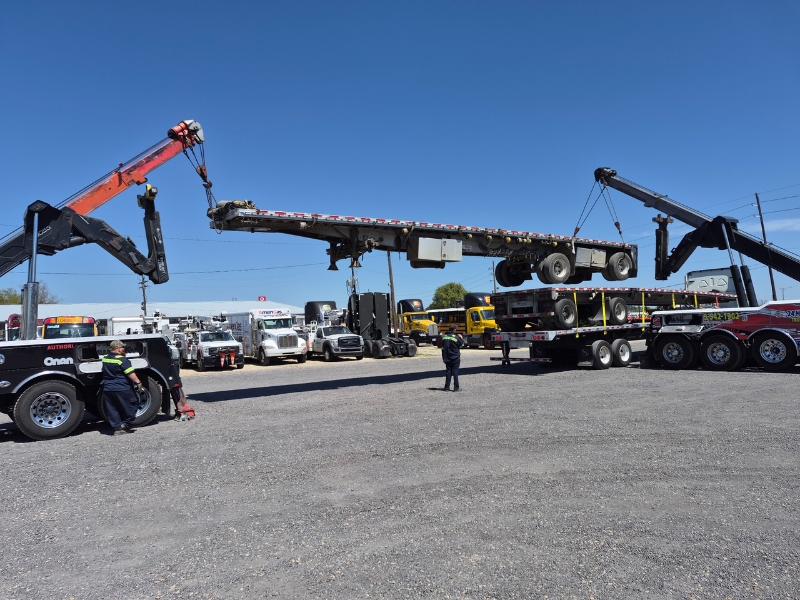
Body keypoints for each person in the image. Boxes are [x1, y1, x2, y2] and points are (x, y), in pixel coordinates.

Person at [101, 340, 143, 434]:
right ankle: (125, 424)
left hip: (108, 388)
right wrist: (138, 382)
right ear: (118, 349)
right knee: (132, 405)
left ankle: (117, 429)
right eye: (123, 347)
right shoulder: (122, 360)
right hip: (122, 388)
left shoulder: (105, 359)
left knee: (113, 409)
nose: (124, 349)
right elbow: (130, 373)